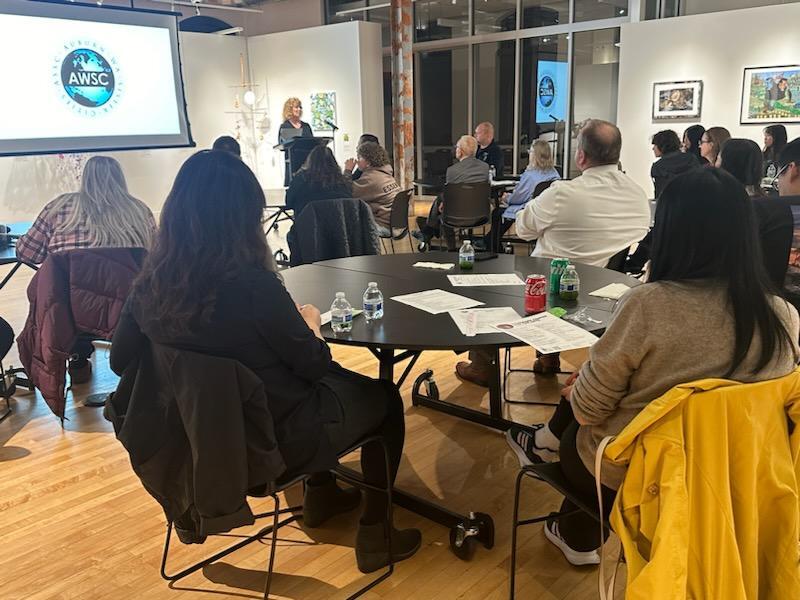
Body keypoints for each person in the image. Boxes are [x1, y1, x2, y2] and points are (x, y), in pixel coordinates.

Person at [111, 150, 421, 573]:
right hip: (268, 445)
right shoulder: (255, 286)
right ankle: (376, 532)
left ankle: (323, 494)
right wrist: (309, 321)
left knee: (302, 388)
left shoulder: (149, 284)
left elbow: (120, 362)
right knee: (382, 398)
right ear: (244, 218)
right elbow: (312, 364)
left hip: (193, 442)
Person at [506, 167, 799, 566]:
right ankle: (567, 508)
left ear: (670, 232)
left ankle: (574, 528)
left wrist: (582, 388)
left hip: (645, 477)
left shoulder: (649, 305)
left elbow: (591, 410)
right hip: (737, 479)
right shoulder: (782, 314)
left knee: (584, 425)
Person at [457, 120, 650, 386]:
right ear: (617, 153)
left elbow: (523, 229)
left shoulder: (564, 193)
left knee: (489, 284)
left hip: (546, 288)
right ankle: (548, 357)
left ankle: (481, 366)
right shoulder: (638, 196)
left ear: (580, 156)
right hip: (607, 293)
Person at [16, 156, 156, 383]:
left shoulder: (59, 207)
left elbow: (27, 254)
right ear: (121, 179)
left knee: (72, 298)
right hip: (127, 312)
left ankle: (78, 357)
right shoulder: (139, 211)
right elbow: (155, 260)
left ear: (84, 178)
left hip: (68, 314)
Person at [413, 135, 490, 251]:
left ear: (461, 151)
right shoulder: (484, 167)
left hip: (456, 215)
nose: (455, 149)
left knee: (444, 207)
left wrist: (444, 202)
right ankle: (428, 231)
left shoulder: (452, 171)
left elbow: (451, 194)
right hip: (480, 215)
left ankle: (435, 235)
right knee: (442, 200)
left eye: (457, 147)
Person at [488, 140, 559, 246]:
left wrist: (507, 198)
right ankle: (489, 241)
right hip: (547, 211)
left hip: (529, 209)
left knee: (497, 213)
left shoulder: (530, 175)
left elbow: (518, 198)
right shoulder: (554, 173)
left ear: (534, 155)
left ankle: (492, 245)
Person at [344, 141, 400, 236]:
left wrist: (347, 170)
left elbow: (346, 191)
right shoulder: (385, 174)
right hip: (395, 224)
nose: (357, 161)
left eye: (359, 158)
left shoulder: (371, 179)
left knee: (345, 224)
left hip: (382, 225)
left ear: (368, 162)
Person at [285, 145, 352, 218]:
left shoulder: (301, 178)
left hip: (308, 225)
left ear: (310, 161)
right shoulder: (341, 181)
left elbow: (289, 202)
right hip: (337, 226)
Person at [650, 129, 700, 197]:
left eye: (655, 145)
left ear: (661, 145)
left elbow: (660, 194)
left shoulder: (658, 167)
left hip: (671, 204)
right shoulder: (691, 159)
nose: (653, 148)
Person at [278, 97, 314, 185]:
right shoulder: (285, 126)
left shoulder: (306, 126)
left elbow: (312, 142)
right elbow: (281, 145)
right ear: (289, 109)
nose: (299, 109)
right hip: (293, 161)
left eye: (300, 107)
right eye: (296, 107)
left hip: (307, 161)